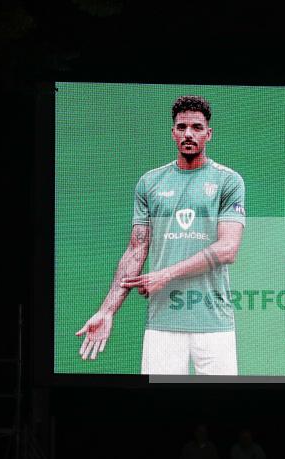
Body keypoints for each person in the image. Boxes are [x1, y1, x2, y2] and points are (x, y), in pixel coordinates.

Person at [76, 95, 246, 376]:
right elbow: (136, 249)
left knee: (222, 409)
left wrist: (165, 275)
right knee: (161, 412)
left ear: (208, 134)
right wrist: (107, 311)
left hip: (214, 320)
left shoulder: (228, 181)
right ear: (173, 133)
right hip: (163, 322)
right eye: (181, 127)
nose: (188, 134)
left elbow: (228, 248)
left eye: (196, 127)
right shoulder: (150, 183)